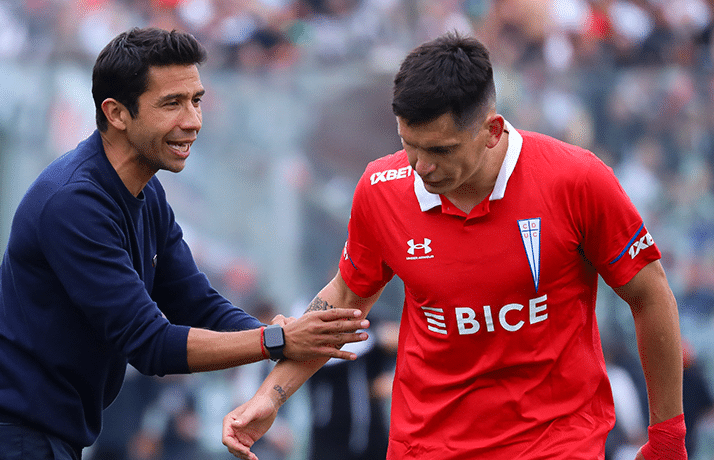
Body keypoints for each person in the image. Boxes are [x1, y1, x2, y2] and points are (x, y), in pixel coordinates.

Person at [222, 32, 687, 460]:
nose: (421, 166)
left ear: (491, 131)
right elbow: (343, 301)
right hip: (425, 445)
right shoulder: (381, 188)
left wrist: (668, 437)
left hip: (556, 443)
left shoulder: (577, 179)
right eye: (409, 145)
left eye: (440, 150)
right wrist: (270, 396)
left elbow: (650, 294)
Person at [0, 27, 370, 460]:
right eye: (172, 104)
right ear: (116, 113)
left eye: (196, 100)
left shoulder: (146, 193)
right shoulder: (73, 202)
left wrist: (277, 334)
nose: (193, 120)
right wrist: (275, 341)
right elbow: (150, 344)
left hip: (40, 440)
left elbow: (197, 303)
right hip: (4, 443)